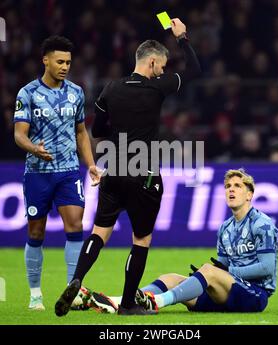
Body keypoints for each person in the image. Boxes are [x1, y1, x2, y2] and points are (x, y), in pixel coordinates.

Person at [55, 18, 201, 316]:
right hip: (144, 174)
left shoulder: (110, 89)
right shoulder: (156, 88)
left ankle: (77, 279)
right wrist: (182, 37)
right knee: (141, 239)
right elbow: (196, 71)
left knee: (99, 233)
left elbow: (98, 132)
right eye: (161, 66)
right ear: (150, 62)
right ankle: (129, 304)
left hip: (114, 171)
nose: (162, 70)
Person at [89, 168, 278, 314]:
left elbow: (266, 268)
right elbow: (224, 265)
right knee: (170, 278)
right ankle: (121, 301)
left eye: (238, 186)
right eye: (228, 186)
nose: (231, 190)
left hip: (255, 294)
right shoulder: (225, 228)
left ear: (249, 194)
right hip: (229, 292)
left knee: (208, 271)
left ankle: (157, 302)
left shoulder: (262, 224)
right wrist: (216, 271)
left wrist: (223, 272)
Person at [13, 35, 100, 311]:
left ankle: (71, 289)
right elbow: (19, 135)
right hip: (38, 172)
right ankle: (35, 293)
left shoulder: (75, 92)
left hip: (68, 172)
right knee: (36, 232)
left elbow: (80, 133)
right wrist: (34, 149)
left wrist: (91, 164)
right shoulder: (27, 94)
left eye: (68, 62)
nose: (65, 66)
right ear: (46, 60)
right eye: (60, 61)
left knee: (75, 226)